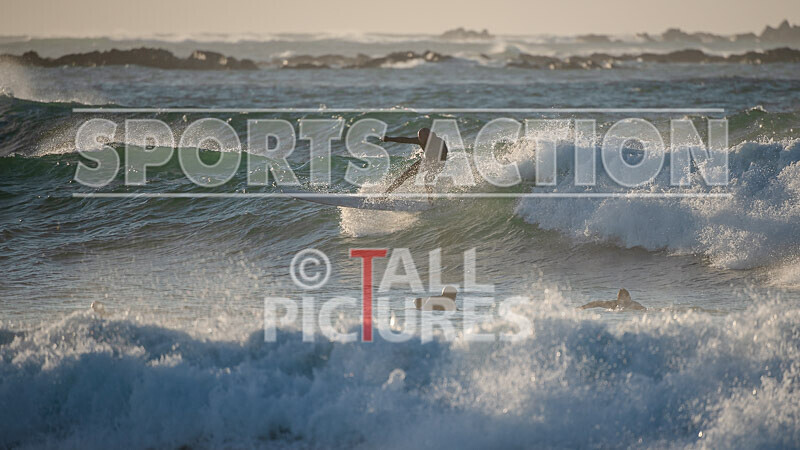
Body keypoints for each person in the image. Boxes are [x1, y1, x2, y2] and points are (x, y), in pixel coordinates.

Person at [382, 127, 448, 194]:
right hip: (426, 160)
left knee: (427, 179)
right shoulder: (420, 140)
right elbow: (405, 140)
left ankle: (431, 200)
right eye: (419, 137)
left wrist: (434, 163)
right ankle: (386, 194)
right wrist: (389, 139)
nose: (420, 139)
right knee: (404, 175)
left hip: (439, 163)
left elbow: (444, 155)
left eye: (422, 137)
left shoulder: (439, 142)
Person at [579, 288, 646, 311]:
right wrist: (583, 307)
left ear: (629, 297)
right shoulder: (614, 304)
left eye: (623, 297)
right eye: (620, 298)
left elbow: (645, 309)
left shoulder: (634, 305)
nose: (621, 300)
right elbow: (597, 303)